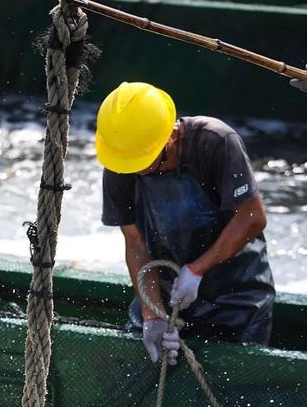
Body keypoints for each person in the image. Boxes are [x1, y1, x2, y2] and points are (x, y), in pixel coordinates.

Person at [96, 81, 275, 366]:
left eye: (148, 163)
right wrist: (152, 315)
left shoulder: (215, 141)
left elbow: (252, 218)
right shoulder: (121, 162)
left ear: (171, 136)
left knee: (230, 391)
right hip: (168, 292)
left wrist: (196, 270)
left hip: (235, 297)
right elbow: (135, 242)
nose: (139, 171)